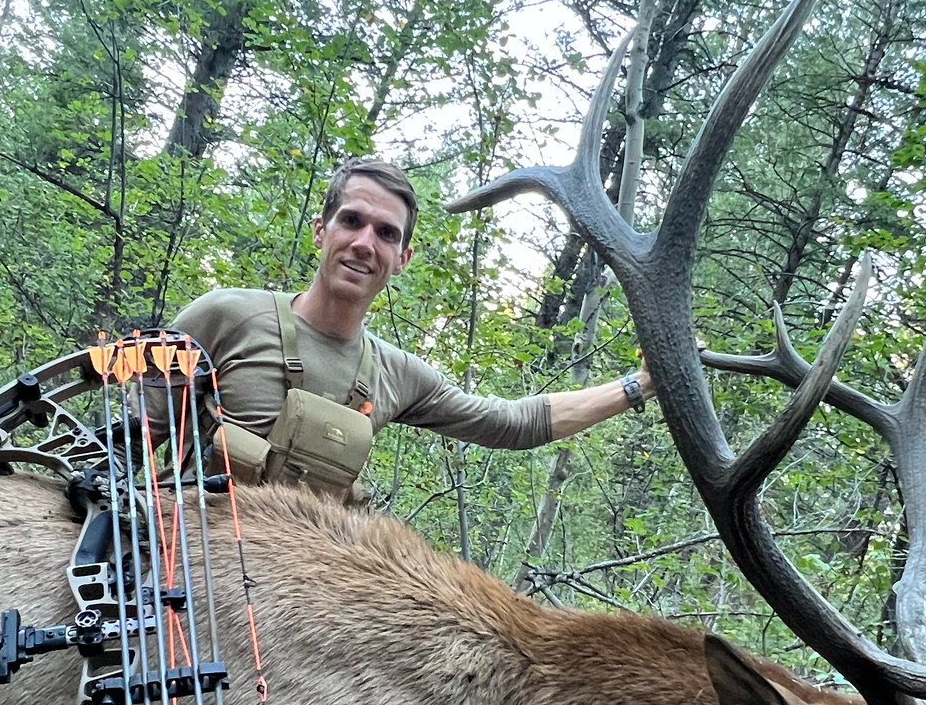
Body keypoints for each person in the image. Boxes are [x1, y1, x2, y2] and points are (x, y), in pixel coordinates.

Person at [172, 155, 651, 500]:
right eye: (351, 221)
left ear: (402, 259)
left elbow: (512, 423)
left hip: (299, 611)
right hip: (187, 589)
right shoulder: (225, 317)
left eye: (386, 233)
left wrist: (641, 385)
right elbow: (125, 446)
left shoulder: (396, 374)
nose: (364, 243)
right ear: (321, 231)